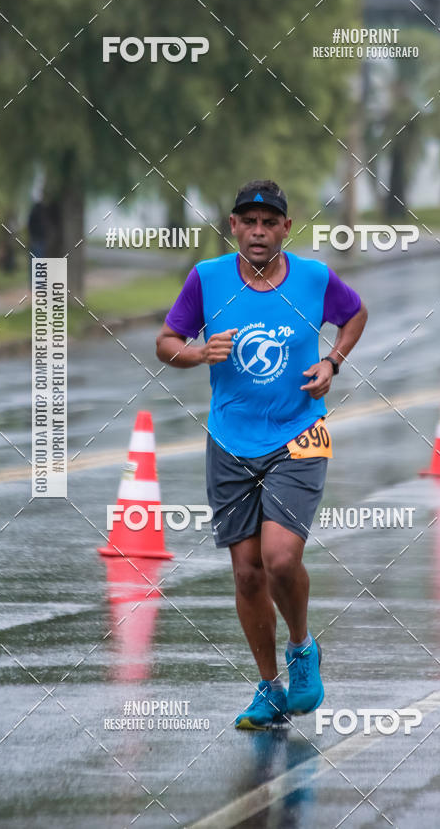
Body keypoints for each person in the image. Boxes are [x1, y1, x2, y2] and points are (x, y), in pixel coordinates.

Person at [156, 179, 367, 729]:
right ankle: (269, 688)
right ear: (233, 227)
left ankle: (302, 649)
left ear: (284, 229)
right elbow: (166, 341)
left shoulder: (316, 278)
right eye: (248, 221)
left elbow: (355, 314)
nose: (258, 231)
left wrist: (333, 362)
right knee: (247, 574)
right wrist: (197, 352)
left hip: (300, 435)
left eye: (269, 222)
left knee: (279, 558)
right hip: (229, 440)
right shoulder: (207, 279)